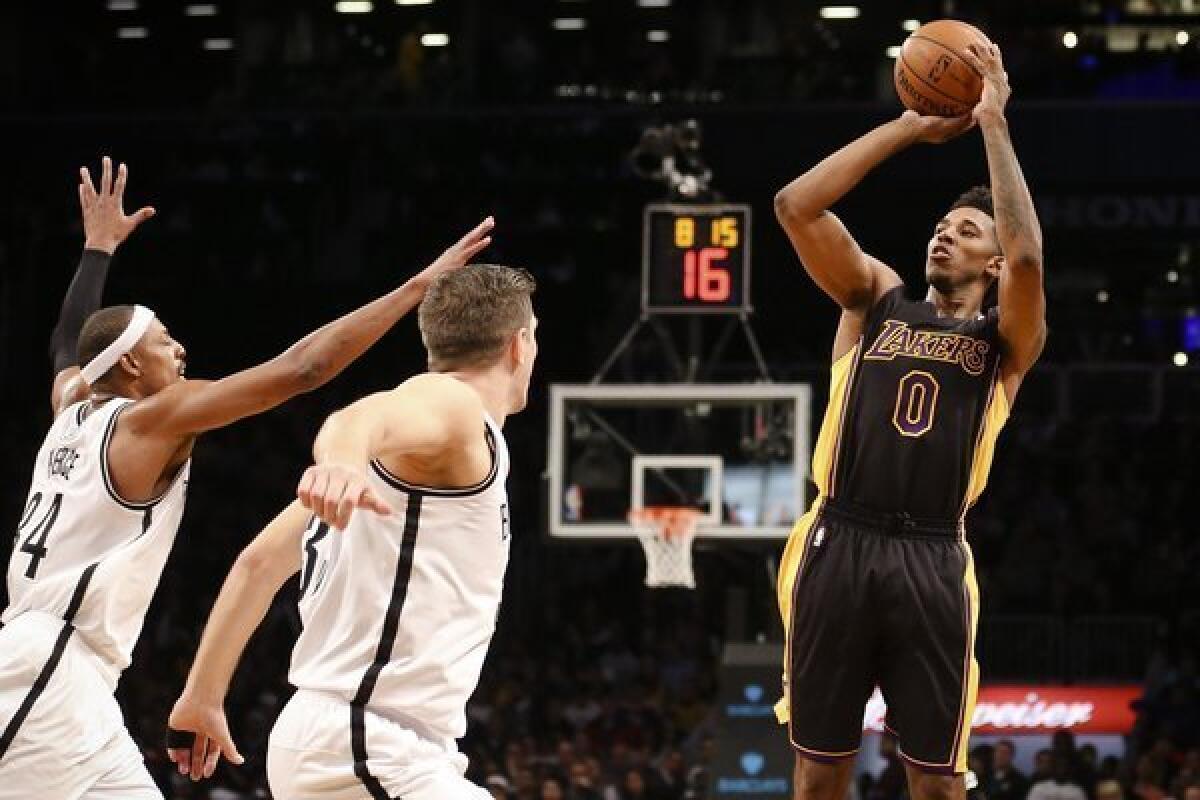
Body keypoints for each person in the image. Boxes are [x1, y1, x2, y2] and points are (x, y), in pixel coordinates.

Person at [0, 156, 494, 800]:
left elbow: (67, 341)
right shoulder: (150, 422)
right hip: (49, 667)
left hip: (67, 673)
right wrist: (415, 289)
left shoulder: (72, 402)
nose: (179, 350)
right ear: (126, 370)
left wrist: (96, 251)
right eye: (162, 341)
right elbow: (303, 371)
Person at [773, 43, 1045, 800]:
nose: (945, 234)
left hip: (931, 555)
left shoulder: (1004, 343)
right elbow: (796, 206)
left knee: (936, 780)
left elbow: (1028, 262)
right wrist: (907, 126)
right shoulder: (876, 301)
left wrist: (993, 125)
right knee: (819, 767)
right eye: (942, 224)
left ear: (991, 264)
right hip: (838, 536)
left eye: (967, 231)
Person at [165, 263, 538, 799]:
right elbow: (358, 418)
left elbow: (258, 563)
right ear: (520, 344)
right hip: (366, 742)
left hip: (351, 740)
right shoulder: (454, 406)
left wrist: (202, 696)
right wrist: (340, 461)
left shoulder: (400, 473)